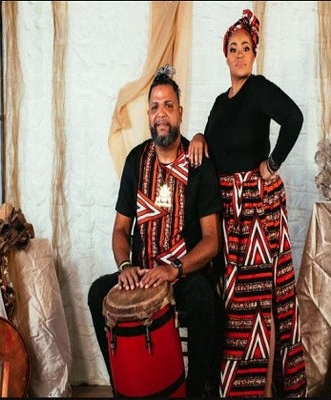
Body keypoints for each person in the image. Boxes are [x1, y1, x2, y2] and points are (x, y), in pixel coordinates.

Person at [188, 9, 307, 398]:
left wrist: (271, 164)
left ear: (254, 54)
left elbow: (294, 118)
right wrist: (199, 137)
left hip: (257, 208)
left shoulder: (258, 89)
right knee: (232, 302)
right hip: (226, 212)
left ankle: (265, 389)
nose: (239, 54)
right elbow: (211, 140)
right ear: (225, 55)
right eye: (233, 48)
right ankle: (234, 386)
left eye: (246, 48)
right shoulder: (220, 102)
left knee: (260, 301)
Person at [88, 65, 223, 398]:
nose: (161, 113)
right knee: (97, 293)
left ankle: (193, 392)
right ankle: (122, 388)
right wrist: (125, 266)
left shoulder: (199, 163)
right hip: (143, 273)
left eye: (168, 105)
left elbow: (211, 241)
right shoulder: (136, 160)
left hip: (183, 275)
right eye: (154, 106)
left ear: (180, 112)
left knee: (204, 297)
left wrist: (175, 269)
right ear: (148, 115)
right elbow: (121, 229)